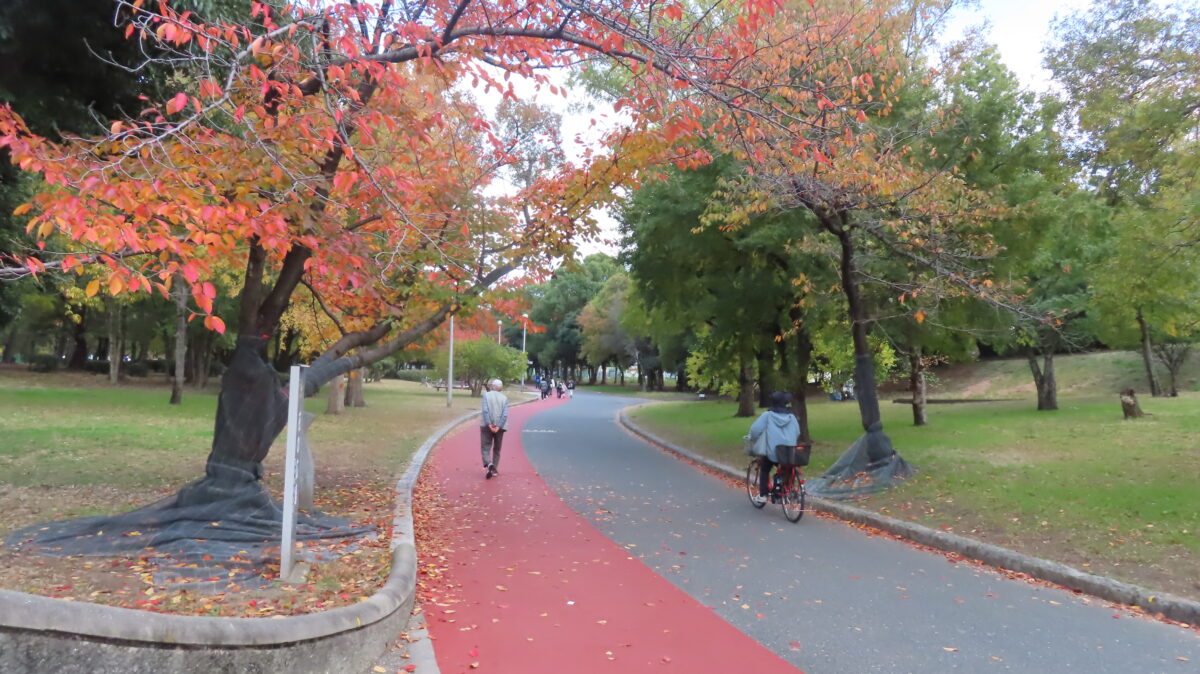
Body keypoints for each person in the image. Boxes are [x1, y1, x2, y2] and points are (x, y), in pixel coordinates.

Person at [748, 391, 801, 505]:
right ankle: (784, 489)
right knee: (785, 467)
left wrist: (752, 437)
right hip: (788, 451)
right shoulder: (792, 416)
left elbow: (755, 430)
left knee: (765, 468)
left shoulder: (767, 415)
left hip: (773, 452)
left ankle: (763, 495)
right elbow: (797, 432)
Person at [480, 379, 509, 479]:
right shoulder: (504, 398)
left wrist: (489, 424)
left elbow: (485, 411)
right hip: (500, 427)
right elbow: (505, 415)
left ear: (493, 386)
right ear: (501, 388)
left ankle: (489, 464)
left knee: (485, 447)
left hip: (486, 425)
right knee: (497, 448)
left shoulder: (486, 395)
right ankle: (494, 469)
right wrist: (498, 426)